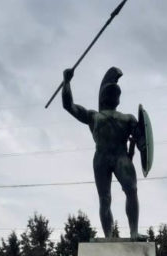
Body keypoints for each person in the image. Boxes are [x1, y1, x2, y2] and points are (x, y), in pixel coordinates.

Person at [62, 66, 145, 240]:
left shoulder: (129, 118)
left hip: (121, 157)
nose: (113, 96)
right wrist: (67, 82)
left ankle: (134, 232)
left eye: (115, 93)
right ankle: (108, 236)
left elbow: (141, 141)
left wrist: (138, 147)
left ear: (118, 99)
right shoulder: (94, 116)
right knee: (105, 199)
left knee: (131, 190)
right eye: (110, 93)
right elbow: (69, 106)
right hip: (102, 158)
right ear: (104, 97)